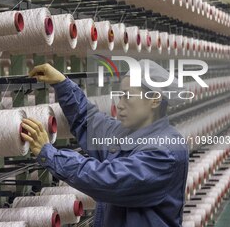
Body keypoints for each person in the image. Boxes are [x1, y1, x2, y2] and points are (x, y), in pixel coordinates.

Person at [20, 59, 189, 227]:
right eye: (120, 95)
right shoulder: (126, 133)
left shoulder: (166, 151)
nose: (120, 105)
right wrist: (62, 84)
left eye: (128, 96)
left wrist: (50, 154)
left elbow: (108, 180)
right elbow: (88, 121)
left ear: (154, 99)